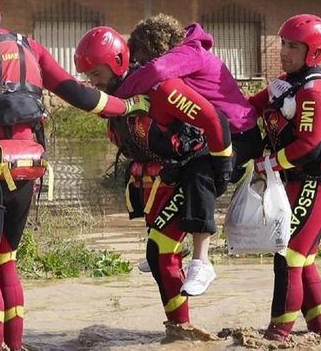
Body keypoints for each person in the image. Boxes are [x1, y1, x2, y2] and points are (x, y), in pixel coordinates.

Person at [0, 0, 149, 351]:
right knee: (6, 261)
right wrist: (130, 105)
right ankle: (15, 347)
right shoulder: (30, 47)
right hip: (28, 170)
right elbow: (81, 95)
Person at [74, 26, 232, 334]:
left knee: (161, 252)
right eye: (88, 77)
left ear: (118, 61)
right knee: (157, 255)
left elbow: (213, 118)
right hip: (157, 180)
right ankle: (179, 329)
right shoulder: (113, 98)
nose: (93, 83)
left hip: (187, 171)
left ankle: (182, 327)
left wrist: (222, 166)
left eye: (96, 74)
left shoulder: (161, 89)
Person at [113, 14, 264, 296]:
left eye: (140, 59)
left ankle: (202, 261)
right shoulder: (187, 53)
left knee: (199, 173)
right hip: (214, 134)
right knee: (173, 168)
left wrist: (116, 98)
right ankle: (168, 245)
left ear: (154, 49)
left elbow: (156, 72)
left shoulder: (190, 52)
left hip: (240, 135)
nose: (137, 67)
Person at [249, 14, 321, 341]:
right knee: (305, 257)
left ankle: (277, 335)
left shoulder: (315, 92)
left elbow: (308, 146)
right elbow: (250, 107)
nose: (284, 51)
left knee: (288, 257)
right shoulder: (286, 83)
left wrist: (267, 164)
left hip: (319, 182)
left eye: (293, 46)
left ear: (312, 51)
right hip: (299, 182)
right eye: (283, 43)